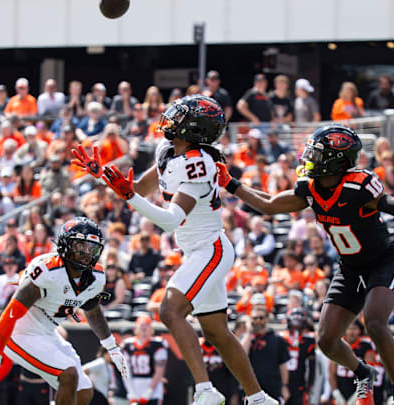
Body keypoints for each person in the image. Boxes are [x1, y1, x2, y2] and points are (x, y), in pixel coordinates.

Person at [74, 95, 279, 405]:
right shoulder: (169, 151)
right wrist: (103, 173)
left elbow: (170, 221)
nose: (171, 120)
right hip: (198, 250)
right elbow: (140, 188)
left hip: (210, 250)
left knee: (170, 311)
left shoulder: (199, 162)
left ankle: (205, 391)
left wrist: (128, 195)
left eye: (180, 117)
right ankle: (259, 398)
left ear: (194, 129)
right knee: (217, 333)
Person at [217, 124, 394, 405]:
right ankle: (362, 373)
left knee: (375, 322)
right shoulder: (310, 188)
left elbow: (389, 203)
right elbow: (270, 204)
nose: (310, 157)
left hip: (382, 261)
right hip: (350, 267)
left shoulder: (358, 186)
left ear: (337, 160)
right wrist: (231, 183)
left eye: (318, 153)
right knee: (326, 340)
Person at [0, 217, 129, 405]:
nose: (86, 253)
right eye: (80, 245)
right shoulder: (48, 271)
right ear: (66, 245)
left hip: (47, 332)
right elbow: (10, 313)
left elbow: (93, 311)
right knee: (68, 374)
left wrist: (111, 347)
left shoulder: (96, 276)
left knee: (84, 391)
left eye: (91, 247)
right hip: (19, 333)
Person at [240, 306, 291, 402]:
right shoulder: (246, 338)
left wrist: (284, 386)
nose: (258, 320)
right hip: (251, 388)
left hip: (273, 388)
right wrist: (248, 332)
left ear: (267, 318)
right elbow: (241, 356)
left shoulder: (277, 339)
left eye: (261, 317)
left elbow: (283, 365)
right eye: (255, 318)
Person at [121, 315, 168, 404]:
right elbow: (125, 370)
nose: (143, 328)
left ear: (151, 328)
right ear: (136, 328)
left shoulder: (158, 344)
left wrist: (149, 392)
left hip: (153, 389)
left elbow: (159, 372)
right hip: (134, 385)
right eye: (141, 325)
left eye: (146, 325)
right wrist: (131, 392)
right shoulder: (127, 344)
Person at [328, 319, 376, 405]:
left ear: (360, 330)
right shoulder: (338, 344)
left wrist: (359, 394)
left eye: (354, 328)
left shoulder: (365, 346)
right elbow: (331, 372)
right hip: (341, 388)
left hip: (358, 390)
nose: (351, 332)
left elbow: (369, 372)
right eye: (349, 328)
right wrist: (335, 391)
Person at [279, 308, 316, 405]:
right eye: (294, 321)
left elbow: (312, 367)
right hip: (280, 383)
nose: (296, 325)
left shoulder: (308, 340)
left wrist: (309, 388)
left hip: (299, 384)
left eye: (298, 322)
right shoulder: (280, 338)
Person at [200, 337, 239, 405]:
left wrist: (234, 394)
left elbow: (232, 373)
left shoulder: (224, 346)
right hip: (205, 392)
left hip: (223, 391)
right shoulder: (198, 345)